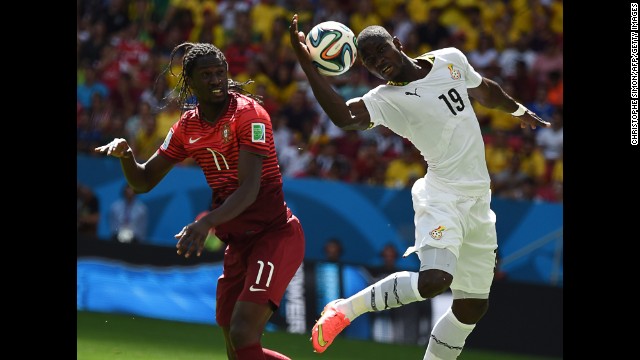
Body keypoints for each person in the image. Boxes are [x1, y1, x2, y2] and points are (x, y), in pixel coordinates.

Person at [289, 15, 550, 359]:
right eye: (370, 62)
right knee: (433, 281)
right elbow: (343, 118)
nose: (380, 63)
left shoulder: (449, 59)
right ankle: (345, 309)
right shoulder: (385, 99)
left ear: (397, 43)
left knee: (472, 307)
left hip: (478, 203)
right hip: (441, 195)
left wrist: (517, 109)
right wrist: (310, 67)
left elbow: (485, 90)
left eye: (382, 52)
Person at [94, 41, 305, 360]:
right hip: (238, 245)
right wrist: (127, 155)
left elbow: (249, 189)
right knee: (236, 349)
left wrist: (205, 223)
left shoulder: (250, 115)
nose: (216, 79)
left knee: (243, 334)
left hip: (274, 236)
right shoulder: (185, 127)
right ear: (189, 81)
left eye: (220, 72)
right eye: (206, 74)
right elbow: (144, 180)